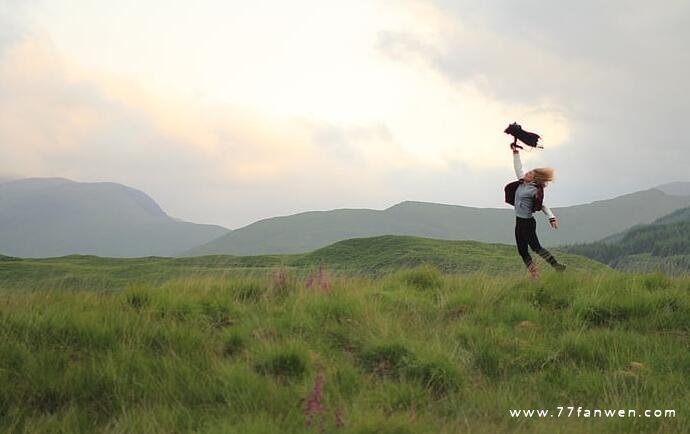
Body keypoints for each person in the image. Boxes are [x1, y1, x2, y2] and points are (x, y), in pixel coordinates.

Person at [506, 145, 566, 279]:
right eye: (528, 172)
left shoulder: (534, 190)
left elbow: (543, 205)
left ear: (534, 179)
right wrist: (516, 152)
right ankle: (534, 273)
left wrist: (551, 217)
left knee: (536, 248)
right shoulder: (522, 183)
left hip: (527, 223)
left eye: (530, 174)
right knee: (522, 251)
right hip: (519, 222)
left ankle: (557, 266)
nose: (526, 173)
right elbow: (518, 168)